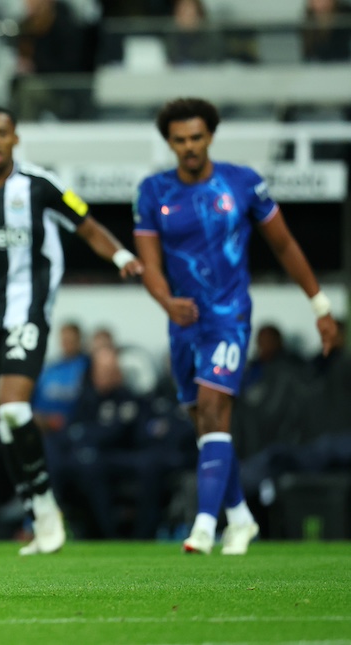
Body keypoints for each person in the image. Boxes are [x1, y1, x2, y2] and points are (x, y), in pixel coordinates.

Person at [0, 106, 144, 555]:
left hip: (27, 311)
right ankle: (39, 510)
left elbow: (88, 225)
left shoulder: (41, 185)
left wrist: (120, 258)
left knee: (15, 409)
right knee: (4, 421)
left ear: (15, 139)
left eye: (4, 133)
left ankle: (47, 511)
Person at [132, 96, 340, 555]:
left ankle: (205, 527)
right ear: (169, 142)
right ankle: (242, 517)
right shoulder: (152, 192)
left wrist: (319, 304)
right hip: (182, 323)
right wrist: (166, 302)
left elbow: (284, 245)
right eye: (180, 139)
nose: (189, 146)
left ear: (210, 136)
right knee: (202, 423)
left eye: (197, 137)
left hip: (228, 317)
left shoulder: (242, 183)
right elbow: (149, 263)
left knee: (214, 408)